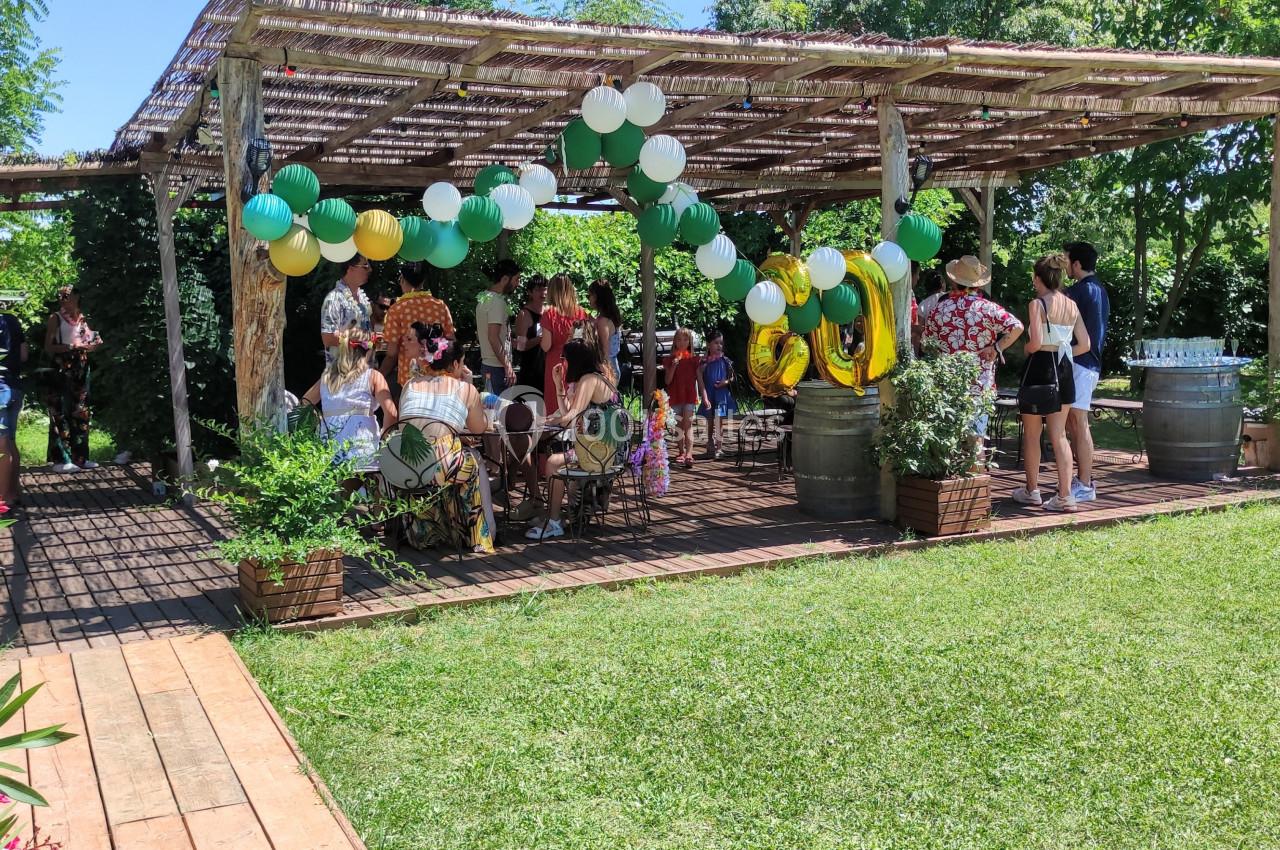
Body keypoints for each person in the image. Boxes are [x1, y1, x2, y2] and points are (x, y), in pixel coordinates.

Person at [397, 322, 496, 554]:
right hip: (443, 466)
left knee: (453, 459)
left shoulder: (410, 385)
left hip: (407, 465)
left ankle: (431, 530)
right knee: (473, 462)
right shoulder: (463, 389)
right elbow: (479, 429)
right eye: (462, 363)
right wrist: (470, 386)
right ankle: (477, 535)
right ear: (454, 364)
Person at [1012, 254, 1091, 513]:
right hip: (1064, 368)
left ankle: (1032, 491)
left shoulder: (1037, 305)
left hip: (1039, 370)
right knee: (1059, 435)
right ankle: (1066, 495)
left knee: (1032, 435)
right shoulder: (1071, 305)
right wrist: (1063, 351)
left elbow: (1034, 343)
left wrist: (1026, 348)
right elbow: (1086, 344)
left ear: (1038, 278)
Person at [525, 339, 621, 541]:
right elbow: (569, 412)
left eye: (564, 358)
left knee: (552, 462)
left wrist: (543, 421)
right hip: (600, 449)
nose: (562, 362)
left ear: (574, 360)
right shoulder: (596, 378)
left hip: (601, 454)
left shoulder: (589, 379)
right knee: (555, 461)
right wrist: (558, 385)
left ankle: (553, 521)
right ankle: (554, 518)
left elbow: (570, 417)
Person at [923, 255, 1024, 440]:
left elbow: (927, 343)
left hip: (948, 385)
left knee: (950, 444)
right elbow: (1017, 327)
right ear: (978, 284)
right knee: (975, 442)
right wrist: (996, 348)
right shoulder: (989, 308)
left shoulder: (938, 310)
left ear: (953, 281)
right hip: (980, 385)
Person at [301, 328, 397, 471]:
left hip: (329, 443)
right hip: (361, 444)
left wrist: (322, 419)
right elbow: (392, 413)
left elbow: (304, 404)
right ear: (370, 350)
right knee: (361, 490)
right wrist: (384, 437)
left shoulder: (327, 378)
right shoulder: (373, 376)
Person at [1063, 240, 1110, 503]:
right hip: (1088, 365)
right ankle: (1080, 479)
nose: (1064, 266)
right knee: (1074, 422)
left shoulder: (1081, 291)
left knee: (1079, 423)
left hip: (1081, 364)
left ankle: (1085, 484)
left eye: (1066, 261)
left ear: (1077, 264)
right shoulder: (1098, 289)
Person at [44, 285, 103, 473]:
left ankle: (81, 457)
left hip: (80, 368)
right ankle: (61, 459)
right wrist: (70, 346)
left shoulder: (82, 318)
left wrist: (93, 344)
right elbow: (48, 346)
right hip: (61, 369)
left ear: (76, 297)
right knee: (59, 411)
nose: (62, 299)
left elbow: (88, 339)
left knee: (81, 411)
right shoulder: (56, 318)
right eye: (60, 297)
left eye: (66, 296)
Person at [380, 261, 455, 392]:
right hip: (439, 377)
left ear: (402, 280)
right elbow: (451, 342)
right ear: (423, 281)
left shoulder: (397, 309)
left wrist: (378, 377)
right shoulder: (440, 305)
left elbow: (392, 353)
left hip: (410, 379)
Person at [539, 274, 587, 415]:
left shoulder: (549, 314)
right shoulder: (580, 312)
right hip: (575, 363)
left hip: (556, 363)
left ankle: (555, 434)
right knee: (574, 401)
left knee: (555, 403)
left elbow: (546, 346)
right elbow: (581, 341)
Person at [476, 259, 521, 395]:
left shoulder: (485, 297)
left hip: (488, 365)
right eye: (516, 279)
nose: (518, 284)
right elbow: (493, 337)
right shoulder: (496, 302)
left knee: (492, 412)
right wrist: (507, 366)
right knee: (501, 413)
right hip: (497, 368)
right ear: (505, 279)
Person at [320, 255, 373, 365]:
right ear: (350, 268)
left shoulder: (363, 298)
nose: (370, 269)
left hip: (365, 371)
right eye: (365, 266)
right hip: (343, 374)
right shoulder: (334, 298)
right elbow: (328, 338)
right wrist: (359, 337)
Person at [663, 327, 703, 469]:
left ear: (690, 342)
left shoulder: (694, 360)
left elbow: (699, 379)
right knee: (679, 426)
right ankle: (681, 452)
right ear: (674, 342)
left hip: (690, 396)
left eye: (685, 339)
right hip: (675, 396)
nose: (682, 342)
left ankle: (690, 453)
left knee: (688, 424)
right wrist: (673, 366)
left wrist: (704, 396)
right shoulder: (669, 360)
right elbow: (667, 381)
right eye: (679, 339)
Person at [0, 309, 28, 505]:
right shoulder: (12, 319)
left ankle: (4, 498)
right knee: (9, 442)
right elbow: (24, 355)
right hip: (14, 387)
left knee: (1, 447)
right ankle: (13, 492)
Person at [698, 331, 737, 459]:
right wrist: (703, 395)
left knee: (719, 421)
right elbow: (700, 379)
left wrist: (725, 382)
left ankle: (719, 447)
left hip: (721, 395)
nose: (719, 346)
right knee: (710, 420)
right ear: (708, 345)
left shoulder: (725, 361)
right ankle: (710, 443)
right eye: (716, 343)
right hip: (709, 393)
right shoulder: (704, 362)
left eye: (721, 343)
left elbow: (732, 377)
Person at [513, 274, 547, 392]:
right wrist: (540, 338)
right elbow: (521, 346)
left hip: (548, 370)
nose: (543, 293)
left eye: (544, 288)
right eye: (538, 289)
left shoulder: (549, 312)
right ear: (530, 292)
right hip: (531, 371)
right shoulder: (524, 314)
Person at [587, 279, 623, 383]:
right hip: (612, 365)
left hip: (607, 368)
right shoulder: (608, 318)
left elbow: (604, 353)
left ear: (597, 297)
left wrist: (602, 374)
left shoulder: (603, 321)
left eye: (589, 296)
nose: (588, 299)